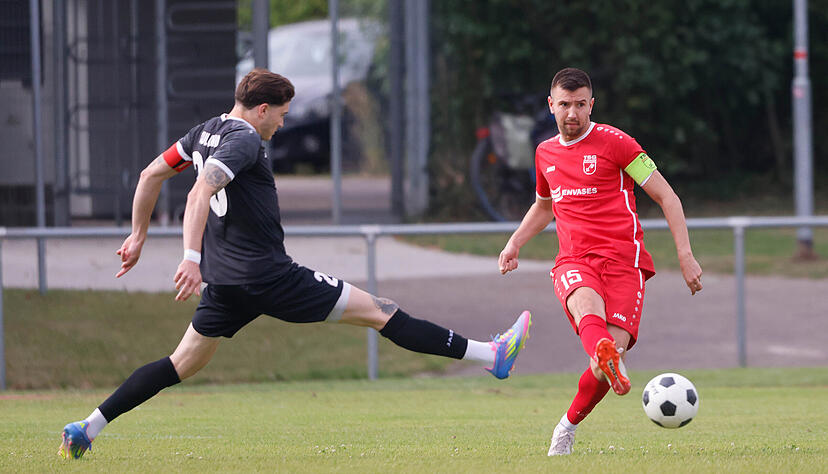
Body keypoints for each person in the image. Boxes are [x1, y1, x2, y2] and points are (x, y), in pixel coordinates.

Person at [58, 68, 532, 460]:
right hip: (269, 277)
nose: (281, 125)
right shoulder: (243, 140)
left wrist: (138, 235)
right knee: (382, 311)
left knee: (179, 363)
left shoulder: (203, 132)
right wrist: (190, 258)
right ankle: (491, 357)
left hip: (227, 287)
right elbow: (201, 192)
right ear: (261, 109)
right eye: (281, 116)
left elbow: (150, 174)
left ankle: (88, 427)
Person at [497, 67, 702, 456]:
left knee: (604, 361)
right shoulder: (545, 153)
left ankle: (568, 424)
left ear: (592, 104)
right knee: (586, 305)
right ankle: (607, 353)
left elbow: (667, 197)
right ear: (550, 106)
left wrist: (686, 256)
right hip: (575, 259)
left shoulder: (618, 144)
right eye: (564, 105)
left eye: (579, 105)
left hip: (625, 264)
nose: (571, 113)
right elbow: (544, 205)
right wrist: (515, 242)